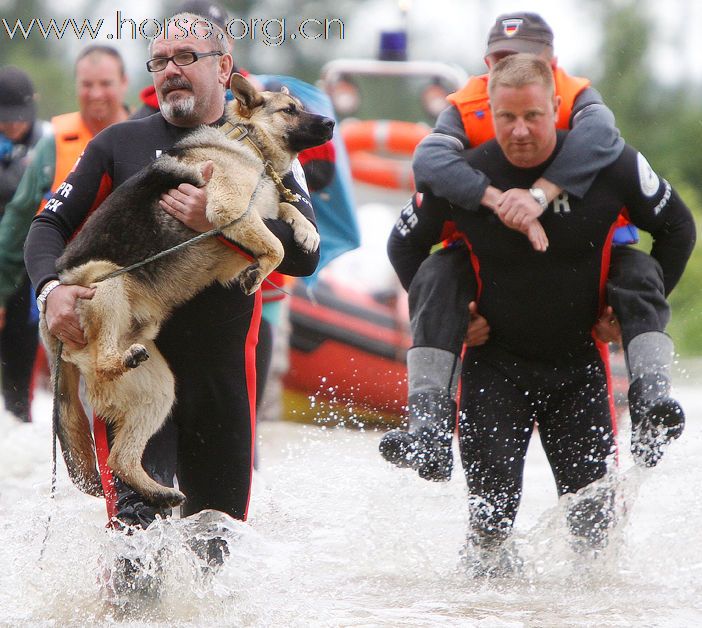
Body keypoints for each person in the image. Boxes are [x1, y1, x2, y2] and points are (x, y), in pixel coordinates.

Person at [387, 53, 695, 569]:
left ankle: (652, 401)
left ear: (557, 106)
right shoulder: (469, 176)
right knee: (488, 535)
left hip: (579, 368)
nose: (521, 131)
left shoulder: (608, 165)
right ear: (489, 112)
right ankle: (428, 423)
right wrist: (453, 320)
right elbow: (404, 247)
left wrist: (626, 320)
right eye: (507, 117)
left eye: (533, 116)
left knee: (595, 544)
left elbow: (678, 229)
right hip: (495, 369)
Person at [24, 13, 318, 534]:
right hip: (134, 364)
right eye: (160, 61)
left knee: (218, 550)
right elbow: (48, 224)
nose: (170, 71)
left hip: (223, 381)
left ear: (224, 67)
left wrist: (220, 221)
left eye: (186, 57)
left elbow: (302, 254)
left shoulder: (266, 145)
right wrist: (51, 291)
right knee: (135, 548)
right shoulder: (118, 143)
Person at [0, 49, 129, 421]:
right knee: (70, 414)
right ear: (76, 86)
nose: (96, 93)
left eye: (105, 83)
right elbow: (18, 221)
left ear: (123, 84)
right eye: (87, 84)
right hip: (62, 299)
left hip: (131, 299)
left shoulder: (145, 132)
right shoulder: (52, 142)